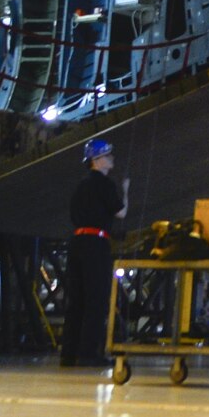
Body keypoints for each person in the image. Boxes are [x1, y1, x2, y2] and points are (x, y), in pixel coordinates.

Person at [62, 137, 125, 368]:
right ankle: (89, 353)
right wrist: (125, 191)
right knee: (96, 300)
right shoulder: (105, 185)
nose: (112, 159)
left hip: (77, 241)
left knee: (76, 300)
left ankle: (68, 354)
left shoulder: (80, 186)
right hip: (96, 244)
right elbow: (121, 213)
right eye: (108, 156)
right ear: (97, 161)